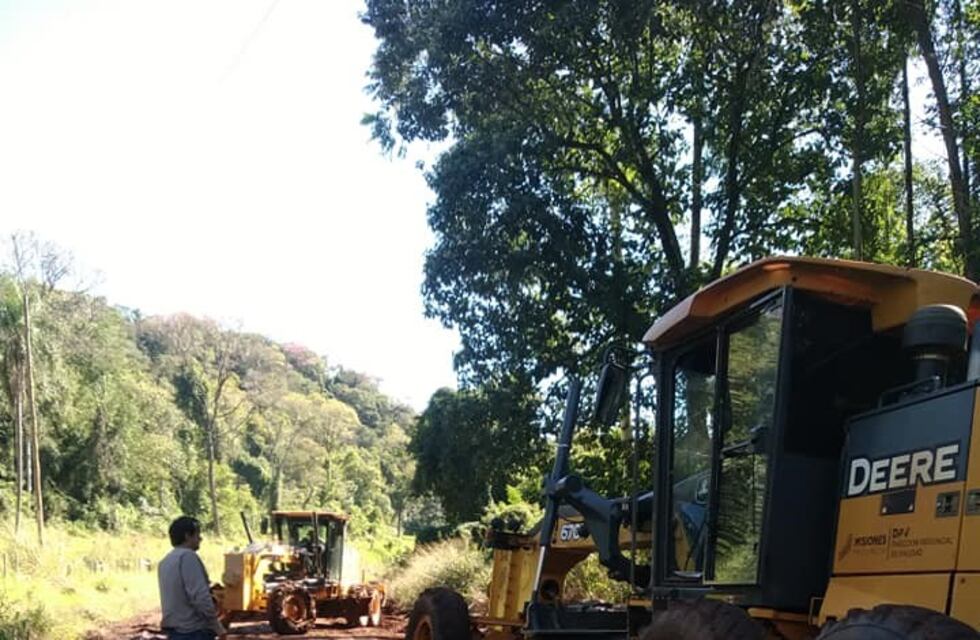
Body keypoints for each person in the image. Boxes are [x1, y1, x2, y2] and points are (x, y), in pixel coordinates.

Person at [158, 516, 227, 640]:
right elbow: (200, 597)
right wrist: (217, 627)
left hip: (174, 631)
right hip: (193, 631)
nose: (200, 538)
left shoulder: (165, 562)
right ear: (187, 536)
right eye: (197, 534)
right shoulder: (188, 557)